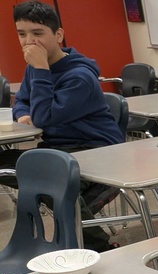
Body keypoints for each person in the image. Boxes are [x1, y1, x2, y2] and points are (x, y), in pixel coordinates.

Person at [0, 1, 124, 252]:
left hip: (95, 148)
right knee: (9, 163)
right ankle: (71, 215)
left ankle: (99, 246)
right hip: (59, 147)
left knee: (48, 175)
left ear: (58, 35)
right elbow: (22, 100)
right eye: (22, 34)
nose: (28, 42)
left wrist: (42, 69)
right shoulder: (34, 68)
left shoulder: (79, 76)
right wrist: (24, 115)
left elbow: (44, 118)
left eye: (38, 33)